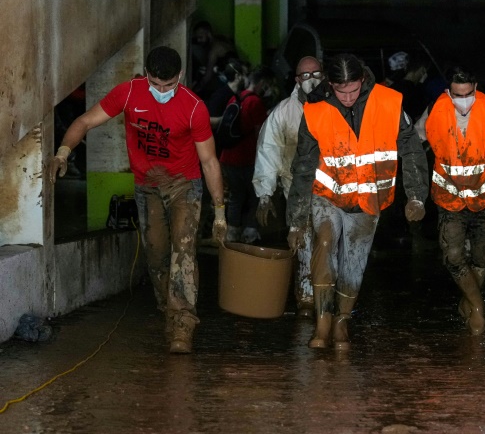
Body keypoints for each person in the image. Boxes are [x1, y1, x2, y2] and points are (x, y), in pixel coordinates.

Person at [48, 46, 227, 354]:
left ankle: (183, 325)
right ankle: (168, 310)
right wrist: (63, 152)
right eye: (155, 84)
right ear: (146, 75)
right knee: (156, 253)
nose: (161, 91)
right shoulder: (129, 94)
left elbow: (209, 162)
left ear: (180, 77)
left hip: (185, 184)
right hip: (147, 186)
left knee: (182, 251)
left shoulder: (193, 107)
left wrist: (221, 211)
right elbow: (85, 121)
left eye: (168, 86)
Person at [287, 53, 429, 350]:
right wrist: (296, 220)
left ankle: (342, 321)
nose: (348, 97)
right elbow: (302, 167)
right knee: (324, 246)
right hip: (327, 194)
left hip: (368, 199)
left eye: (353, 90)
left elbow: (412, 148)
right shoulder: (314, 109)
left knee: (354, 263)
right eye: (341, 91)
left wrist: (417, 195)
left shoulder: (389, 102)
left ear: (362, 80)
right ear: (330, 84)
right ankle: (322, 321)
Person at [416, 65, 485, 336]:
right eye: (457, 95)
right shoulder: (435, 110)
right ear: (448, 92)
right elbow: (414, 140)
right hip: (449, 199)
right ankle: (478, 308)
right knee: (454, 256)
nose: (463, 101)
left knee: (482, 258)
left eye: (468, 94)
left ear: (475, 90)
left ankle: (468, 302)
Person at [252, 56, 325, 317]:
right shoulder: (284, 112)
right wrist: (264, 195)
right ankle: (306, 297)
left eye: (316, 74)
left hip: (332, 191)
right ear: (296, 79)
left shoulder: (338, 105)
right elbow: (268, 152)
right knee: (302, 240)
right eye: (305, 75)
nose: (312, 80)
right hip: (296, 189)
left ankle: (327, 296)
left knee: (329, 242)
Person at [219, 66, 269, 244]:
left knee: (235, 196)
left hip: (228, 157)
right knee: (254, 195)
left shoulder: (235, 98)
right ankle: (250, 232)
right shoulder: (255, 102)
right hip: (246, 158)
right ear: (261, 83)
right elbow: (260, 133)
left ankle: (232, 233)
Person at [189, 21, 238, 99]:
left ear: (208, 34)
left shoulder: (214, 50)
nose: (199, 40)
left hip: (231, 85)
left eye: (201, 37)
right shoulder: (222, 40)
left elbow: (208, 77)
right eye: (197, 38)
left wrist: (193, 91)